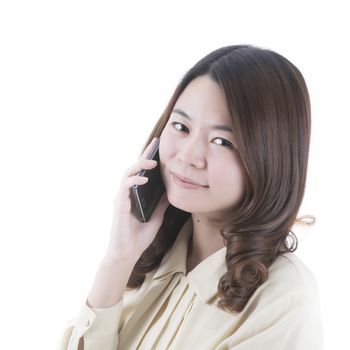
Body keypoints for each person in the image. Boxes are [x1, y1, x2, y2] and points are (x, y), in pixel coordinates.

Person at [57, 44, 323, 350]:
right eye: (181, 126)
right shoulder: (149, 262)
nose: (188, 156)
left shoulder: (284, 299)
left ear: (269, 158)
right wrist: (117, 261)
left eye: (222, 141)